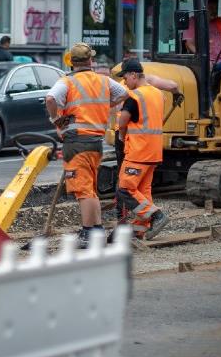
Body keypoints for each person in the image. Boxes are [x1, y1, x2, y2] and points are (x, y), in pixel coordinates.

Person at [45, 42, 128, 248]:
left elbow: (50, 99)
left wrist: (56, 120)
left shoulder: (67, 82)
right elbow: (124, 94)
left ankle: (88, 233)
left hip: (76, 142)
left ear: (72, 62)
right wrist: (104, 106)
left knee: (83, 190)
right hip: (95, 142)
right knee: (90, 188)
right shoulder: (104, 81)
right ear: (90, 61)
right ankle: (97, 229)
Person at [116, 59, 170, 240]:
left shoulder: (134, 97)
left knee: (124, 189)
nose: (124, 82)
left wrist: (121, 136)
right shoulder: (158, 94)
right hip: (154, 150)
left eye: (125, 77)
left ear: (133, 75)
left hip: (138, 151)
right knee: (142, 190)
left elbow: (122, 121)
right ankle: (141, 227)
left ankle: (156, 215)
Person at [183, 0, 221, 64]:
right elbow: (189, 44)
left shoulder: (220, 22)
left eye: (216, 8)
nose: (214, 11)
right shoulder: (193, 22)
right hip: (206, 63)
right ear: (203, 9)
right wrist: (204, 60)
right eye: (211, 8)